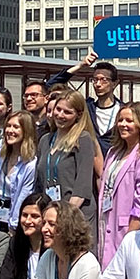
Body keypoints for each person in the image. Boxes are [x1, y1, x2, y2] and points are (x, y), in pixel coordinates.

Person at [98, 102, 140, 266]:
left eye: (129, 120)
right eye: (120, 120)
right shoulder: (113, 152)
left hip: (128, 229)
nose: (123, 124)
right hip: (106, 223)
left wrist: (131, 233)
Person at [33, 89, 100, 233]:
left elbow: (82, 187)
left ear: (78, 115)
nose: (60, 115)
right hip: (50, 217)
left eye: (67, 112)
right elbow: (38, 183)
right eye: (58, 109)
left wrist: (63, 218)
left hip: (76, 216)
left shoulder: (83, 139)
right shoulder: (45, 140)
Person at [45, 52, 122, 141]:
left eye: (104, 80)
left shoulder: (123, 110)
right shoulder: (87, 107)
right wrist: (81, 65)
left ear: (115, 83)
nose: (98, 84)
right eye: (95, 79)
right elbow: (50, 85)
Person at [0, 112, 38, 233]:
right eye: (8, 126)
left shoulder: (30, 164)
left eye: (16, 127)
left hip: (15, 223)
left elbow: (23, 196)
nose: (10, 130)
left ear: (26, 131)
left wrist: (13, 226)